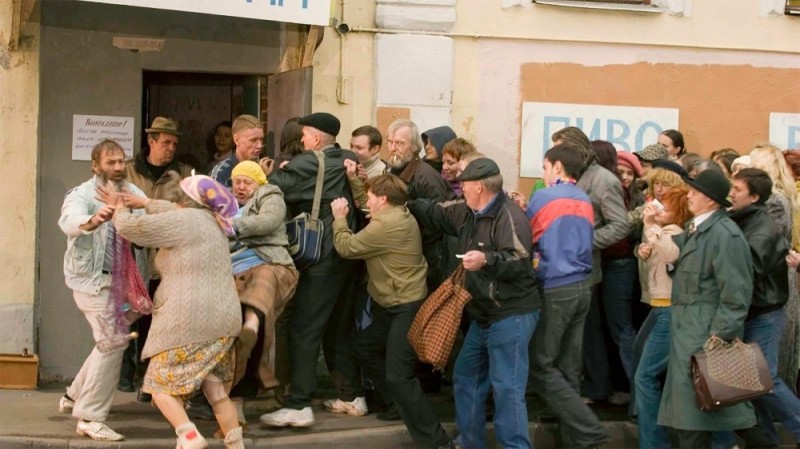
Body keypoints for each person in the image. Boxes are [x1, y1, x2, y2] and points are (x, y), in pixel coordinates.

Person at [408, 158, 541, 449]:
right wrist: (403, 199)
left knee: (508, 388)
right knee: (466, 377)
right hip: (484, 315)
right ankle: (469, 443)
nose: (460, 188)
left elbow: (520, 261)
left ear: (478, 187)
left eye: (464, 184)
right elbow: (433, 212)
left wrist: (487, 260)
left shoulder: (510, 216)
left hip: (512, 314)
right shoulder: (465, 210)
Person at [109, 174, 244, 449]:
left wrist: (118, 207)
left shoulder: (184, 222)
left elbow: (132, 228)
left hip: (191, 322)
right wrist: (145, 201)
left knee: (159, 387)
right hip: (224, 321)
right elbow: (173, 213)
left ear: (183, 201)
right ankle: (236, 445)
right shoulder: (211, 221)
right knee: (216, 390)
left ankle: (189, 436)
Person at [330, 174, 455, 449]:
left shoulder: (386, 224)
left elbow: (347, 247)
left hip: (404, 308)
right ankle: (398, 405)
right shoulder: (400, 212)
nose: (369, 201)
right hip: (394, 305)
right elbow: (369, 206)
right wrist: (356, 184)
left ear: (383, 199)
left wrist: (339, 218)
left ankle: (437, 442)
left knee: (399, 377)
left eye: (372, 196)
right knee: (364, 346)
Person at [259, 112, 364, 427]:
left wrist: (269, 171)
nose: (301, 141)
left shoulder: (308, 162)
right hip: (348, 255)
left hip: (321, 258)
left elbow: (278, 189)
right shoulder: (348, 159)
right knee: (337, 329)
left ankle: (299, 403)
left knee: (303, 328)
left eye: (304, 136)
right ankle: (351, 395)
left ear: (316, 139)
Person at [656, 169, 756, 448]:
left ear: (711, 200)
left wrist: (719, 337)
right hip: (689, 335)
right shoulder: (699, 228)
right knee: (692, 421)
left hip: (702, 338)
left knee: (698, 421)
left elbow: (736, 295)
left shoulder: (725, 235)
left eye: (695, 192)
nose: (688, 195)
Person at [57, 139, 147, 441]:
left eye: (122, 161)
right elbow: (68, 221)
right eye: (112, 162)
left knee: (107, 341)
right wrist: (94, 219)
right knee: (114, 340)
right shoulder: (82, 193)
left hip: (121, 283)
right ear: (96, 165)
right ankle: (89, 416)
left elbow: (148, 222)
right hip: (89, 280)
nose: (119, 167)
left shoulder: (131, 193)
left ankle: (73, 396)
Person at [526, 143, 608, 449]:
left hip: (555, 285)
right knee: (569, 365)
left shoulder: (544, 196)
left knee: (541, 365)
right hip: (582, 285)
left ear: (558, 167)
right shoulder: (583, 198)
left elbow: (526, 234)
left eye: (545, 167)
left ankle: (588, 428)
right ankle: (578, 441)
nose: (543, 173)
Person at [551, 127, 629, 404]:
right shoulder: (568, 176)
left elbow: (620, 224)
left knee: (590, 332)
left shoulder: (603, 180)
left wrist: (584, 242)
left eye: (560, 149)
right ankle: (592, 387)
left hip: (585, 266)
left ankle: (606, 388)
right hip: (562, 269)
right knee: (583, 332)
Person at [122, 116, 193, 401]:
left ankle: (148, 381)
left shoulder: (183, 173)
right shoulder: (128, 171)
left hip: (165, 260)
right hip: (132, 256)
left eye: (175, 143)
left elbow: (188, 209)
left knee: (158, 324)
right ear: (151, 141)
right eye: (166, 142)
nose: (171, 148)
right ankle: (125, 375)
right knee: (128, 318)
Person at [728, 168, 800, 447]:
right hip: (753, 311)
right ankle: (764, 440)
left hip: (764, 312)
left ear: (755, 196)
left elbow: (750, 268)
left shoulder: (762, 228)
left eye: (737, 189)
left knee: (763, 378)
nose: (731, 193)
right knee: (750, 383)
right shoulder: (743, 219)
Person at [229, 161, 299, 398]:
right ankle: (239, 388)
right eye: (236, 182)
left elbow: (268, 221)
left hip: (268, 261)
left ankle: (252, 321)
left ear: (258, 183)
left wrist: (231, 226)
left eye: (246, 182)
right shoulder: (224, 205)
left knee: (264, 278)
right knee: (235, 335)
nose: (240, 187)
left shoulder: (270, 194)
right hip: (233, 272)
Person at [634, 185, 691, 449]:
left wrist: (649, 227)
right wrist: (642, 251)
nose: (659, 209)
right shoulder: (666, 232)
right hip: (660, 307)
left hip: (668, 309)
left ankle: (653, 443)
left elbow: (671, 254)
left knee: (645, 377)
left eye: (665, 207)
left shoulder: (675, 231)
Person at [750, 142, 800, 391]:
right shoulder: (779, 199)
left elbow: (768, 246)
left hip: (775, 279)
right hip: (775, 276)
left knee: (774, 352)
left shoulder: (775, 202)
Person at [387, 119, 455, 292]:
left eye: (400, 143)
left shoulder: (426, 176)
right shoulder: (392, 169)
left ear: (415, 147)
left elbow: (440, 219)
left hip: (426, 258)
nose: (393, 148)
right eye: (390, 142)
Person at [211, 115, 265, 187]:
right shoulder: (222, 173)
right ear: (236, 140)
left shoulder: (259, 168)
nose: (259, 145)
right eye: (253, 140)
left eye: (261, 139)